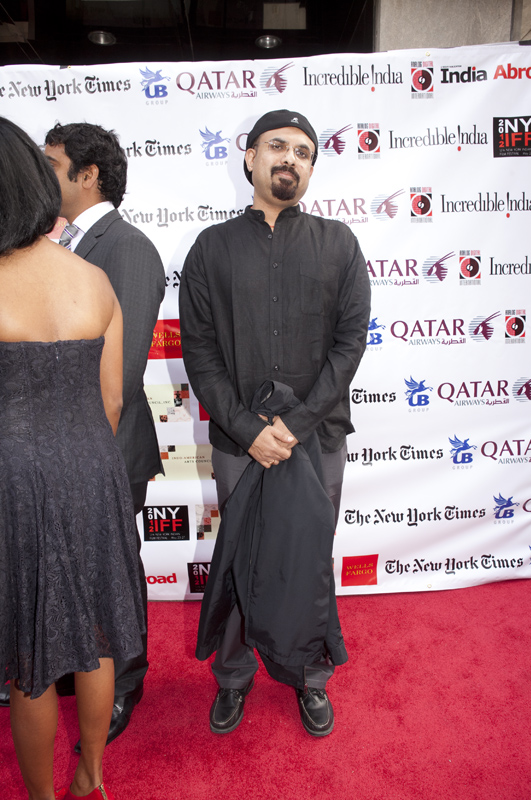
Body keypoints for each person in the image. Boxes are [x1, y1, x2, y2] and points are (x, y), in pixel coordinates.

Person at [179, 109, 371, 737]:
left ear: (311, 169)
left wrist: (294, 424)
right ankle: (233, 676)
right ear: (250, 157)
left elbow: (350, 343)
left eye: (304, 152)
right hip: (241, 443)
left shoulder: (339, 243)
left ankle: (310, 676)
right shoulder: (211, 248)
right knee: (240, 557)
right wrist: (248, 429)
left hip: (317, 439)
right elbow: (200, 351)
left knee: (308, 558)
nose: (291, 158)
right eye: (277, 146)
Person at [0, 116, 145, 799]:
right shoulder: (93, 280)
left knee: (29, 660)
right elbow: (111, 400)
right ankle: (92, 776)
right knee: (96, 632)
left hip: (14, 479)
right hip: (92, 467)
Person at [40, 122, 165, 748]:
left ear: (87, 175)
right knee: (69, 568)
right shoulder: (60, 243)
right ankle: (75, 666)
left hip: (106, 448)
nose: (41, 175)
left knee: (111, 571)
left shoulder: (128, 249)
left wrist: (79, 453)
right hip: (60, 446)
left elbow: (124, 370)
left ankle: (125, 681)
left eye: (51, 164)